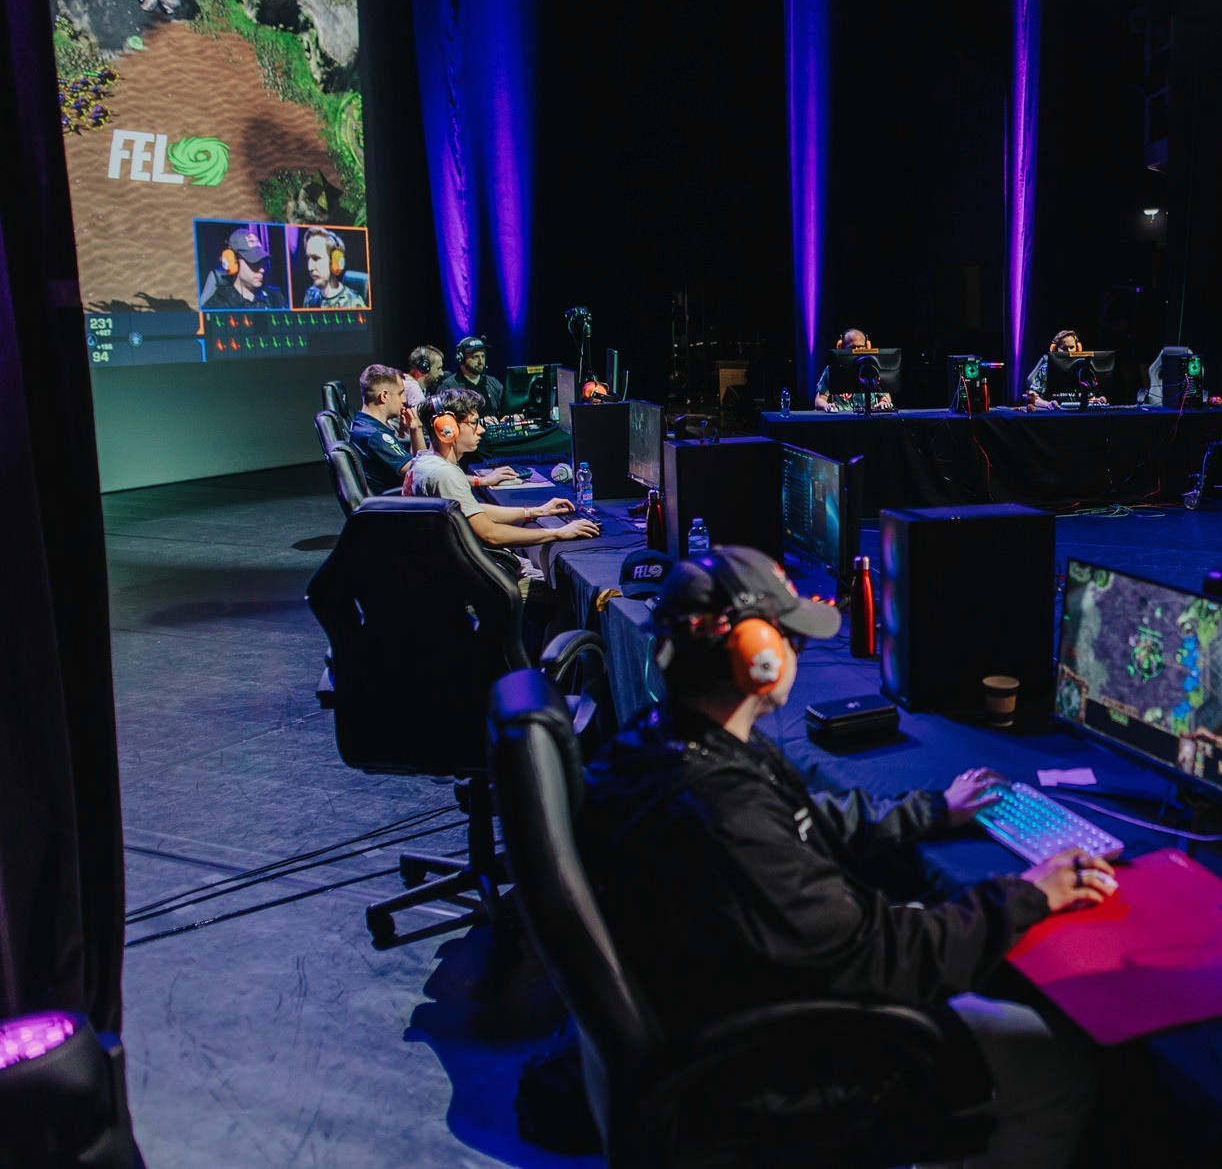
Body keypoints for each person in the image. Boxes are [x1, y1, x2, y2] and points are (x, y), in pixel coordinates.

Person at [581, 545, 1109, 1168]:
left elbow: (799, 821)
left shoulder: (666, 741)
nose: (799, 653)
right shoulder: (722, 813)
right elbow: (884, 959)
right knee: (1055, 1063)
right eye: (793, 639)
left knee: (935, 918)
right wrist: (1028, 894)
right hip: (765, 1071)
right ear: (758, 656)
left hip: (714, 999)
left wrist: (932, 811)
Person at [403, 389, 598, 581]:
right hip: (463, 579)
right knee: (561, 583)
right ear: (446, 428)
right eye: (473, 423)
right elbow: (491, 534)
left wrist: (536, 512)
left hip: (446, 570)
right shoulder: (445, 474)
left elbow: (472, 510)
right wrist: (559, 533)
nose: (481, 430)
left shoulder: (425, 460)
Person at [349, 365, 425, 495]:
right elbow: (420, 471)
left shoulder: (365, 425)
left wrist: (414, 430)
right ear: (384, 396)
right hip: (399, 502)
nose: (404, 400)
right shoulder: (374, 435)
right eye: (400, 393)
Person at [201, 227, 287, 310]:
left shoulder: (275, 298)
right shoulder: (218, 305)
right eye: (254, 262)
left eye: (261, 262)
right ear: (233, 261)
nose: (262, 269)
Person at [812, 327, 895, 412]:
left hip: (870, 417)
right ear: (841, 347)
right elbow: (819, 400)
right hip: (842, 418)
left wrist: (883, 402)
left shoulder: (874, 369)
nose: (856, 351)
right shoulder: (832, 370)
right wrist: (826, 405)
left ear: (867, 347)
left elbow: (885, 397)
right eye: (852, 347)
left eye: (860, 347)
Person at [1023, 330, 1107, 411]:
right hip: (1055, 413)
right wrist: (1047, 404)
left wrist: (1097, 401)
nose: (1069, 351)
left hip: (1079, 413)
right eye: (1064, 348)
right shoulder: (1046, 368)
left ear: (1078, 348)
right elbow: (1032, 398)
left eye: (1071, 347)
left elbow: (1089, 398)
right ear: (1055, 349)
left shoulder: (1083, 369)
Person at [298, 228, 366, 309]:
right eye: (308, 258)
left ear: (334, 261)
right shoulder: (310, 295)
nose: (310, 267)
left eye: (316, 258)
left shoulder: (354, 304)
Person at [443, 336, 507, 418]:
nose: (481, 362)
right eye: (475, 357)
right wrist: (480, 422)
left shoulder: (493, 383)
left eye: (483, 356)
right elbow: (447, 420)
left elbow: (507, 409)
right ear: (461, 358)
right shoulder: (449, 386)